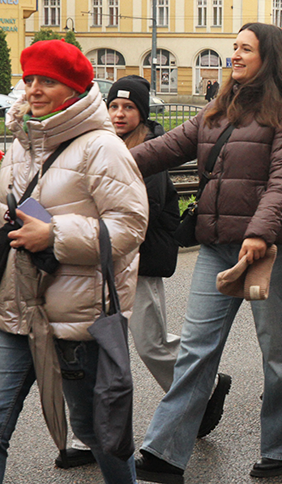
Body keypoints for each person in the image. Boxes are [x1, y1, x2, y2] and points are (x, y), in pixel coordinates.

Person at [132, 23, 282, 481]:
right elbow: (166, 148)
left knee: (278, 352)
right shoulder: (219, 108)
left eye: (245, 49)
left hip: (269, 248)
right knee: (196, 350)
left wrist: (259, 233)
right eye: (233, 47)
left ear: (267, 57)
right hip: (216, 247)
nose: (234, 54)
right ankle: (163, 452)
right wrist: (105, 159)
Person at [0, 39, 147, 484]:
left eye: (47, 81)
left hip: (78, 320)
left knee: (99, 433)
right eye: (29, 78)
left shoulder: (103, 149)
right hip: (17, 309)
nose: (33, 89)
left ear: (72, 88)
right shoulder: (22, 142)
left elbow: (130, 229)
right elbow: (2, 207)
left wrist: (53, 234)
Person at [106, 76, 181, 394]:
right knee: (102, 347)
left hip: (141, 261)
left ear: (142, 113)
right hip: (103, 258)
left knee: (152, 344)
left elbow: (141, 211)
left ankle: (202, 386)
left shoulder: (152, 154)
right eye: (113, 106)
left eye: (128, 107)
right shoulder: (104, 145)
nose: (119, 114)